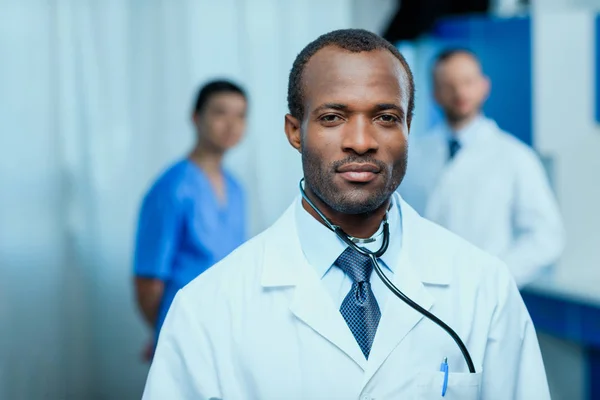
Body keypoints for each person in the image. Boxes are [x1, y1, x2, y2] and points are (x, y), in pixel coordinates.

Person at [142, 30, 550, 399]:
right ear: (294, 131)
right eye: (333, 118)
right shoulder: (206, 308)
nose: (360, 141)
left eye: (386, 118)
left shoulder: (485, 288)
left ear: (408, 127)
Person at [399, 49, 565, 288]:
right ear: (435, 94)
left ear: (484, 86)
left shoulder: (515, 156)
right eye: (448, 85)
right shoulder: (413, 154)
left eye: (467, 82)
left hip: (485, 294)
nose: (460, 92)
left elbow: (547, 237)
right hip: (421, 290)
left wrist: (493, 277)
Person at [133, 79, 248, 358]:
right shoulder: (172, 188)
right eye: (220, 113)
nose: (231, 124)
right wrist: (166, 331)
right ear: (196, 118)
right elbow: (148, 281)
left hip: (226, 334)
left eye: (241, 115)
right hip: (185, 334)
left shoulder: (236, 188)